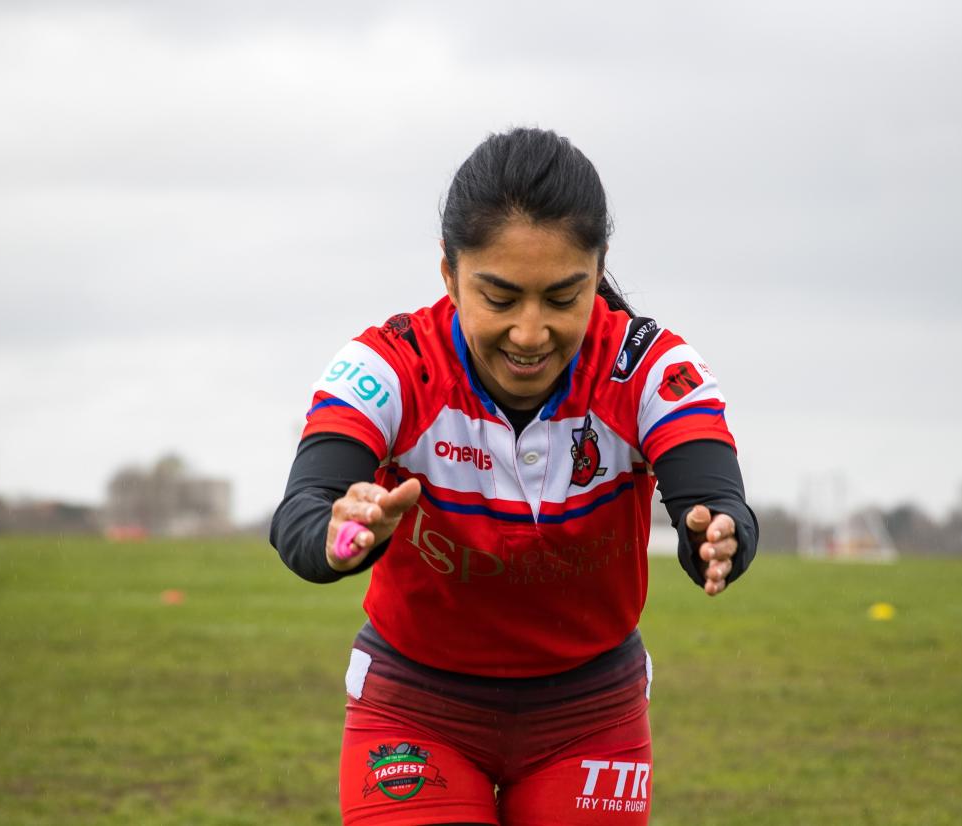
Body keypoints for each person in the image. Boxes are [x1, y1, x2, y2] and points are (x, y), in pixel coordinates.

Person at [271, 127, 759, 826]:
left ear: (600, 269)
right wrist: (338, 534)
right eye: (499, 299)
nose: (530, 335)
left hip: (592, 718)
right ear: (449, 273)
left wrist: (719, 533)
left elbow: (714, 499)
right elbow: (302, 513)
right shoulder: (389, 366)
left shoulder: (650, 367)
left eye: (563, 298)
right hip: (414, 711)